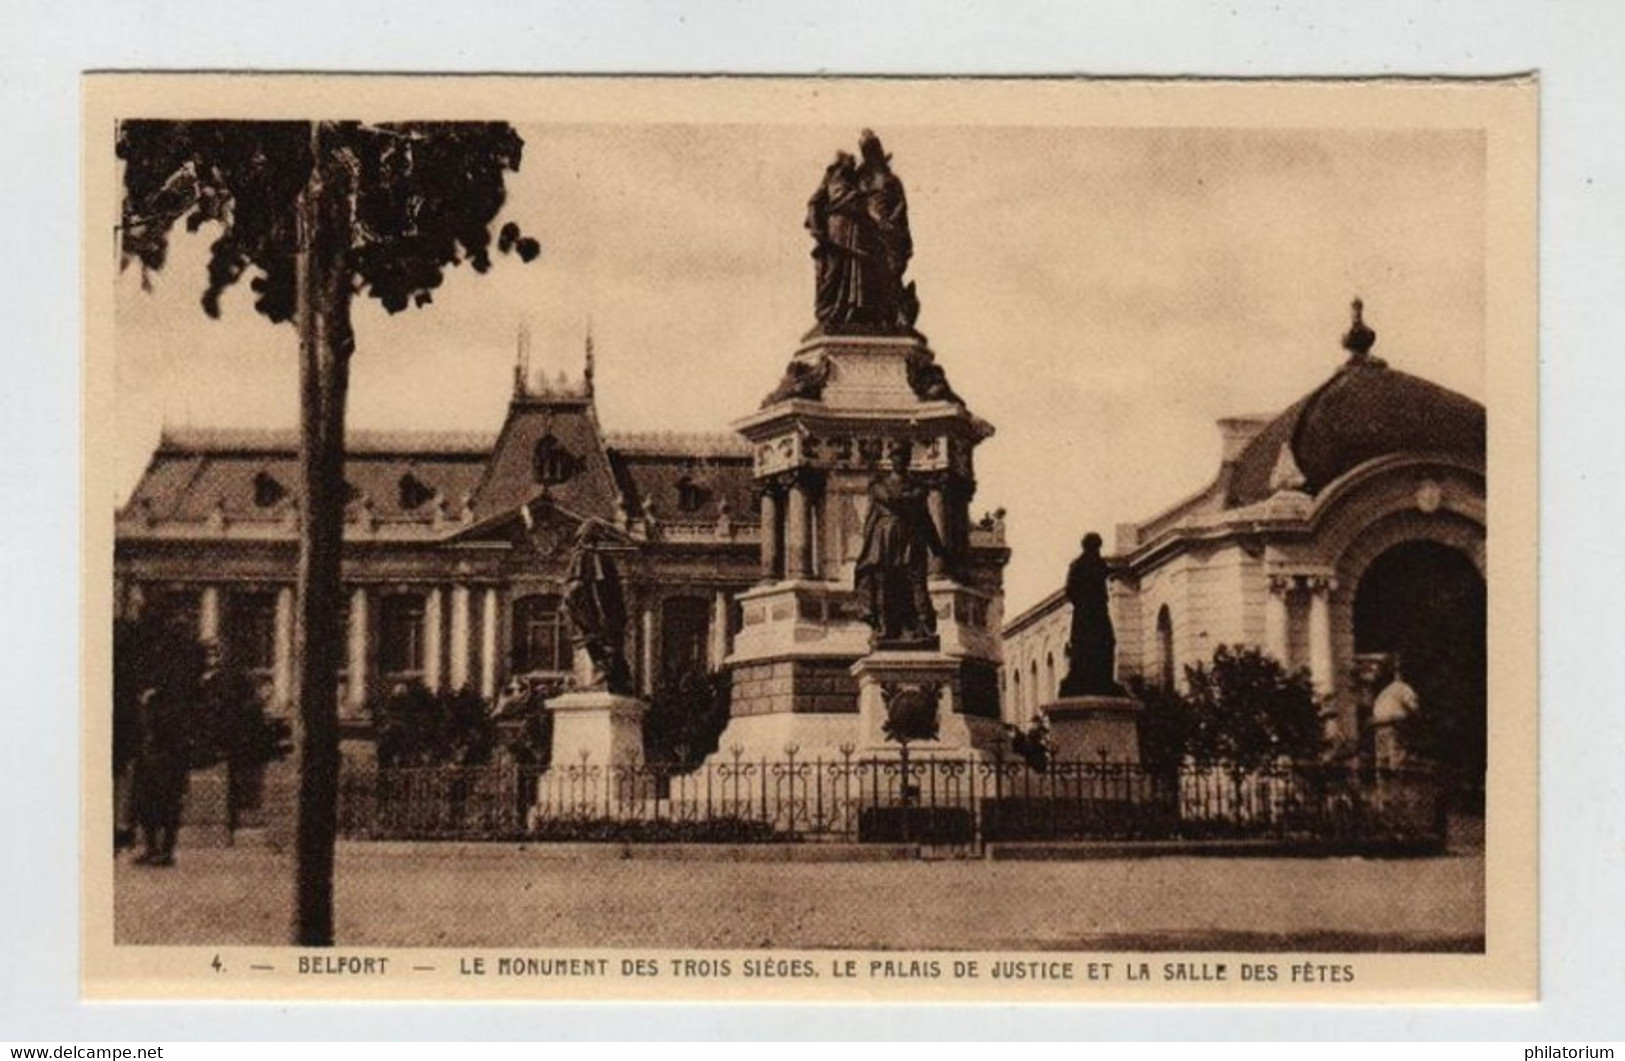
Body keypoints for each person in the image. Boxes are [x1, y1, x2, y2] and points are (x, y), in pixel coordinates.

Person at [854, 443, 944, 644]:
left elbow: (925, 518)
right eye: (896, 456)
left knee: (917, 582)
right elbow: (890, 499)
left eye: (904, 456)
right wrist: (912, 498)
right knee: (884, 583)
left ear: (908, 459)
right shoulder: (880, 486)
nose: (900, 460)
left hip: (911, 538)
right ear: (891, 459)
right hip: (886, 538)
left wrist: (937, 547)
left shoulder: (916, 486)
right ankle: (886, 628)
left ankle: (924, 627)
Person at [129, 685, 189, 866]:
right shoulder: (148, 718)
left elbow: (176, 746)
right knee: (146, 809)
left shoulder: (167, 718)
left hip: (166, 770)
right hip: (149, 769)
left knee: (167, 809)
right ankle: (153, 849)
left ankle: (165, 851)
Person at [1060, 532, 1122, 696]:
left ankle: (1100, 680)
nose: (1098, 550)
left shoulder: (1081, 564)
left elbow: (1069, 590)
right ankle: (1100, 680)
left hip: (1089, 613)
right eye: (1096, 547)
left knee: (1099, 644)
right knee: (1101, 643)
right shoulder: (1092, 564)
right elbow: (1071, 590)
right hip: (1092, 613)